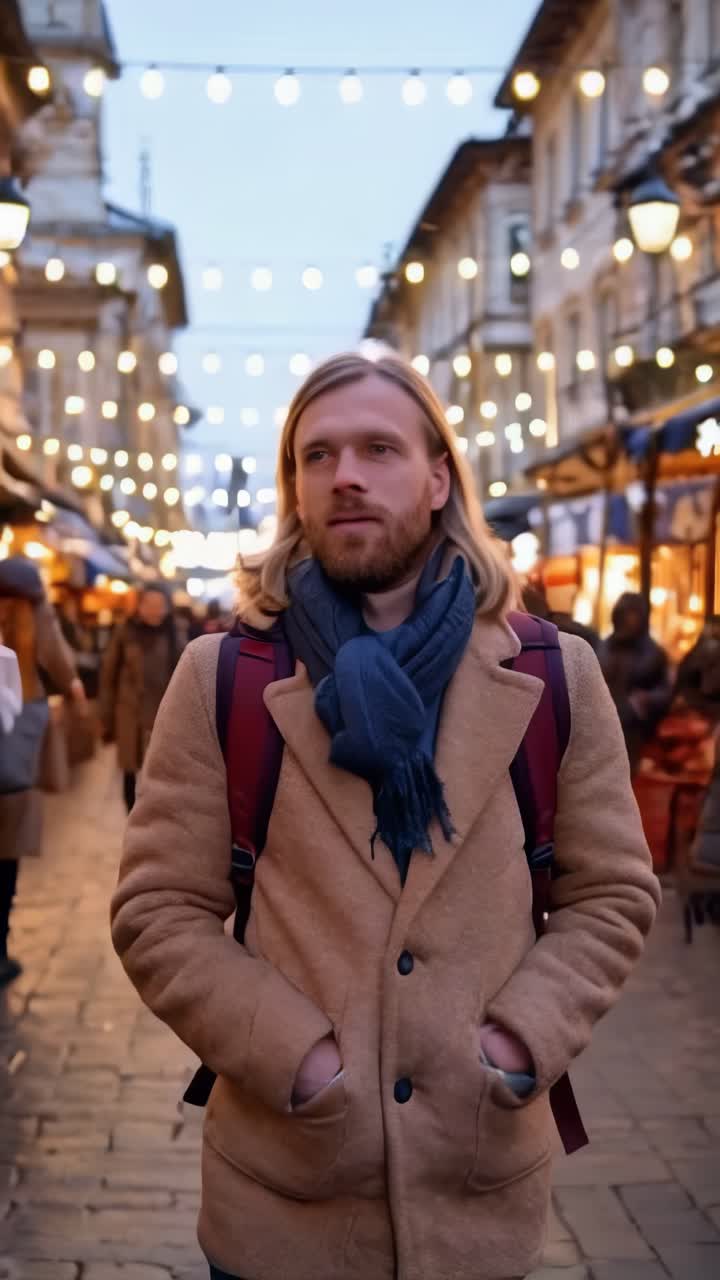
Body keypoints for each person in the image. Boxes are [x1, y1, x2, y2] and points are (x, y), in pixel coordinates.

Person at [111, 352, 660, 1280]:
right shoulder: (226, 678)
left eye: (377, 448)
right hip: (283, 1201)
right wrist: (298, 1058)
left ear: (440, 475)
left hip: (476, 1194)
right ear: (294, 486)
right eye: (316, 456)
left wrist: (517, 1040)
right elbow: (157, 912)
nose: (346, 477)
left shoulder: (552, 674)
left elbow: (611, 896)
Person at [0, 556, 85, 986]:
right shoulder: (36, 615)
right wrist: (71, 685)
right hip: (15, 748)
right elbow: (56, 656)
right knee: (8, 850)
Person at [99, 584, 180, 812]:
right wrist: (106, 718)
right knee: (129, 770)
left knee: (159, 773)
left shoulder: (174, 634)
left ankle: (152, 820)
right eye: (150, 605)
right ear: (140, 607)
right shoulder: (125, 632)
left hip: (162, 715)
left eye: (159, 606)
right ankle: (131, 816)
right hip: (129, 713)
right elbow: (108, 675)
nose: (155, 611)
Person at [598, 592, 672, 774]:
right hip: (601, 726)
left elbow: (667, 691)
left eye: (634, 615)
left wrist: (643, 700)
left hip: (633, 730)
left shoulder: (653, 653)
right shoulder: (604, 647)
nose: (630, 620)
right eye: (625, 615)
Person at [674, 615, 720, 723]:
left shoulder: (698, 648)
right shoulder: (711, 648)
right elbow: (709, 687)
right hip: (702, 709)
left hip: (689, 704)